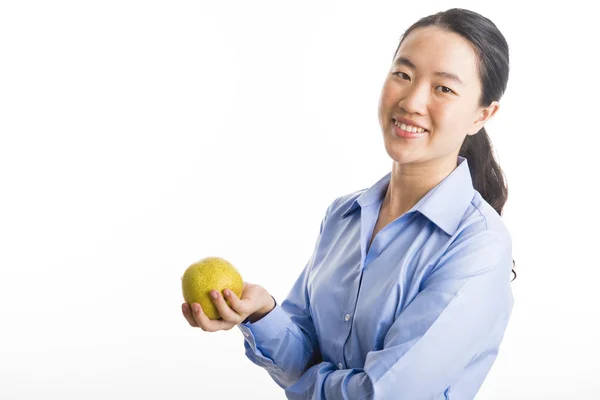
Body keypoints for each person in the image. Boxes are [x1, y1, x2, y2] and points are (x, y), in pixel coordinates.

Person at [182, 8, 516, 399]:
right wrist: (262, 313)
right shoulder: (343, 215)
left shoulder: (479, 245)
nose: (411, 101)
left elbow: (386, 393)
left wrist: (306, 383)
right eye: (403, 75)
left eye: (443, 88)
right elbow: (303, 353)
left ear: (483, 114)